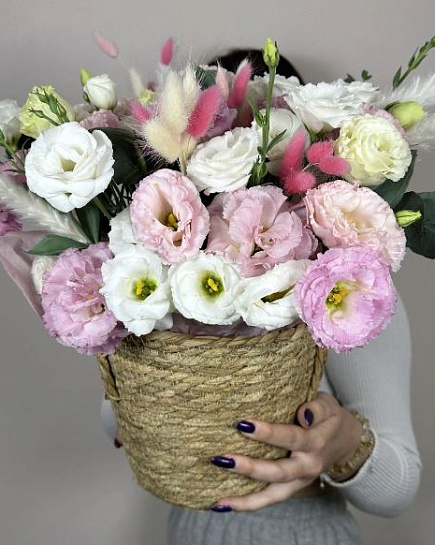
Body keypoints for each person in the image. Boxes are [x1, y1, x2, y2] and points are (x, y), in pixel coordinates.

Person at [101, 51, 421, 545]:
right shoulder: (153, 272)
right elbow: (115, 416)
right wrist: (152, 405)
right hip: (189, 529)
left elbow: (399, 488)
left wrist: (342, 445)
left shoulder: (349, 287)